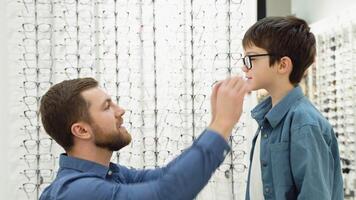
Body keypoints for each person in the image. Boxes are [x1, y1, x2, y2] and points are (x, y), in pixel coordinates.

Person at [39, 76, 249, 200]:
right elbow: (166, 193)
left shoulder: (112, 174)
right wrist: (222, 123)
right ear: (82, 131)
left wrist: (216, 125)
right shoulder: (74, 191)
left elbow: (167, 176)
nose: (120, 110)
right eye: (107, 107)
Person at [240, 16, 343, 200]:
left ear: (282, 64)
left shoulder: (304, 123)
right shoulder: (267, 119)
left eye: (251, 59)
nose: (244, 67)